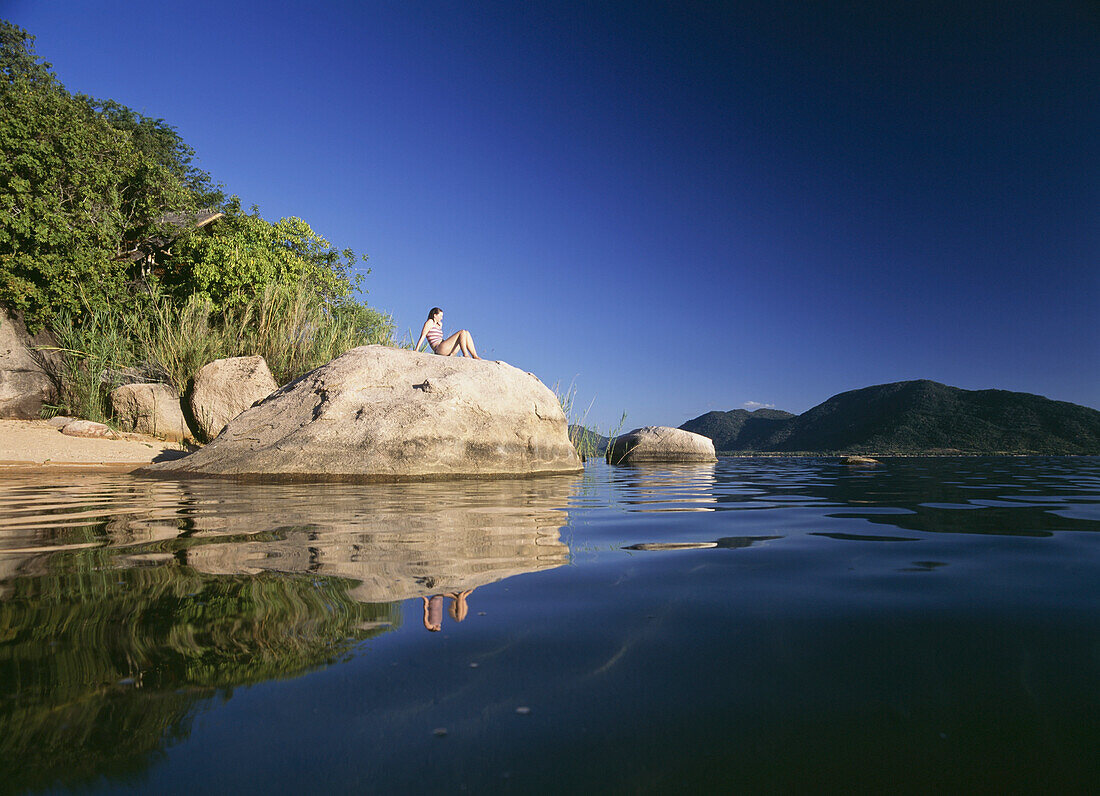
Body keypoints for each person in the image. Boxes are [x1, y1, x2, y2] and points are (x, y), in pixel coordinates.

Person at [414, 307, 481, 359]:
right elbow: (423, 336)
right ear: (435, 315)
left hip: (445, 348)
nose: (441, 318)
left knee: (466, 333)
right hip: (439, 349)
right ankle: (466, 354)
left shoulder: (439, 324)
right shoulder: (429, 322)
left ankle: (475, 355)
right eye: (440, 316)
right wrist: (416, 349)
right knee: (462, 332)